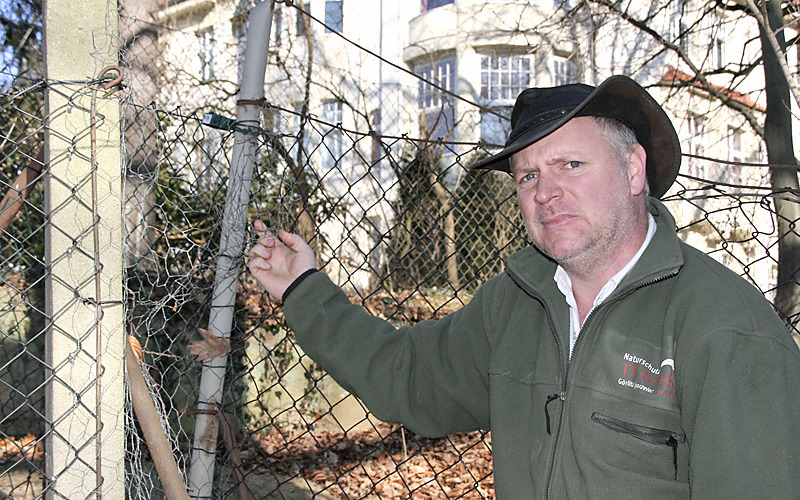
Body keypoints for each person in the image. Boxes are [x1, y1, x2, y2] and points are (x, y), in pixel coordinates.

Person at [247, 75, 800, 499]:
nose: (545, 192)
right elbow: (407, 377)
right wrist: (302, 289)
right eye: (529, 175)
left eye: (571, 164)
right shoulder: (516, 302)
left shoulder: (726, 330)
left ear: (634, 169)